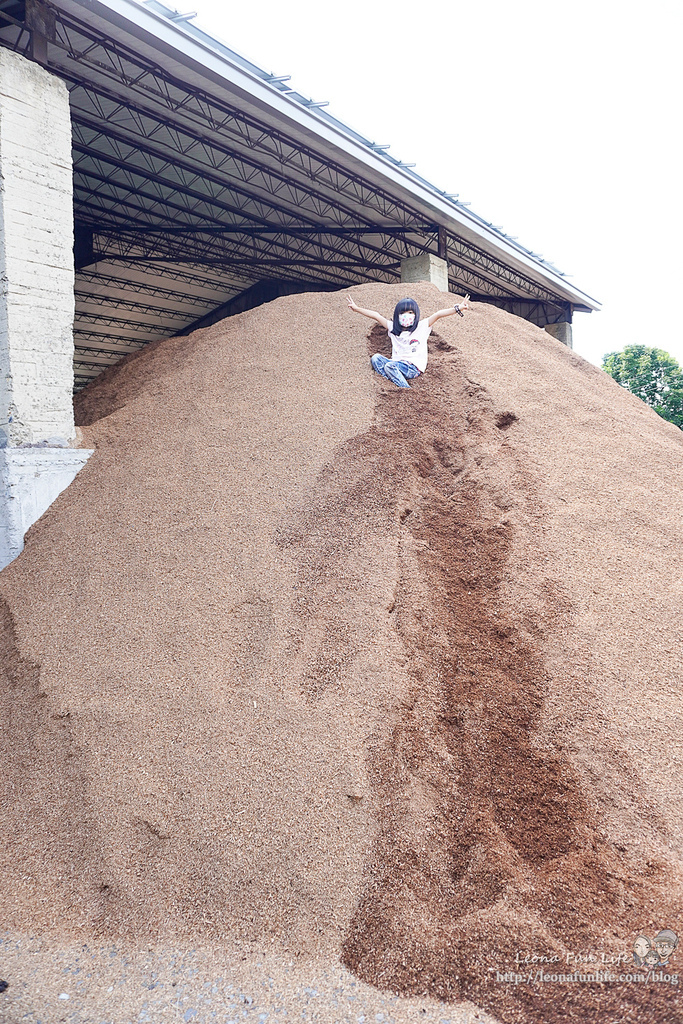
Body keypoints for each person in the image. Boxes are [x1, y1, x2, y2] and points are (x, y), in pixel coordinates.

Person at [347, 294, 469, 389]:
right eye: (403, 313)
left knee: (389, 366)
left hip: (413, 367)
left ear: (415, 315)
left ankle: (405, 388)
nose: (407, 315)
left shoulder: (421, 327)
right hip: (396, 364)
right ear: (397, 315)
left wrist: (458, 308)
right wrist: (356, 309)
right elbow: (376, 316)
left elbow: (438, 315)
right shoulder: (393, 328)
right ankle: (391, 378)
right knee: (376, 358)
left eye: (410, 312)